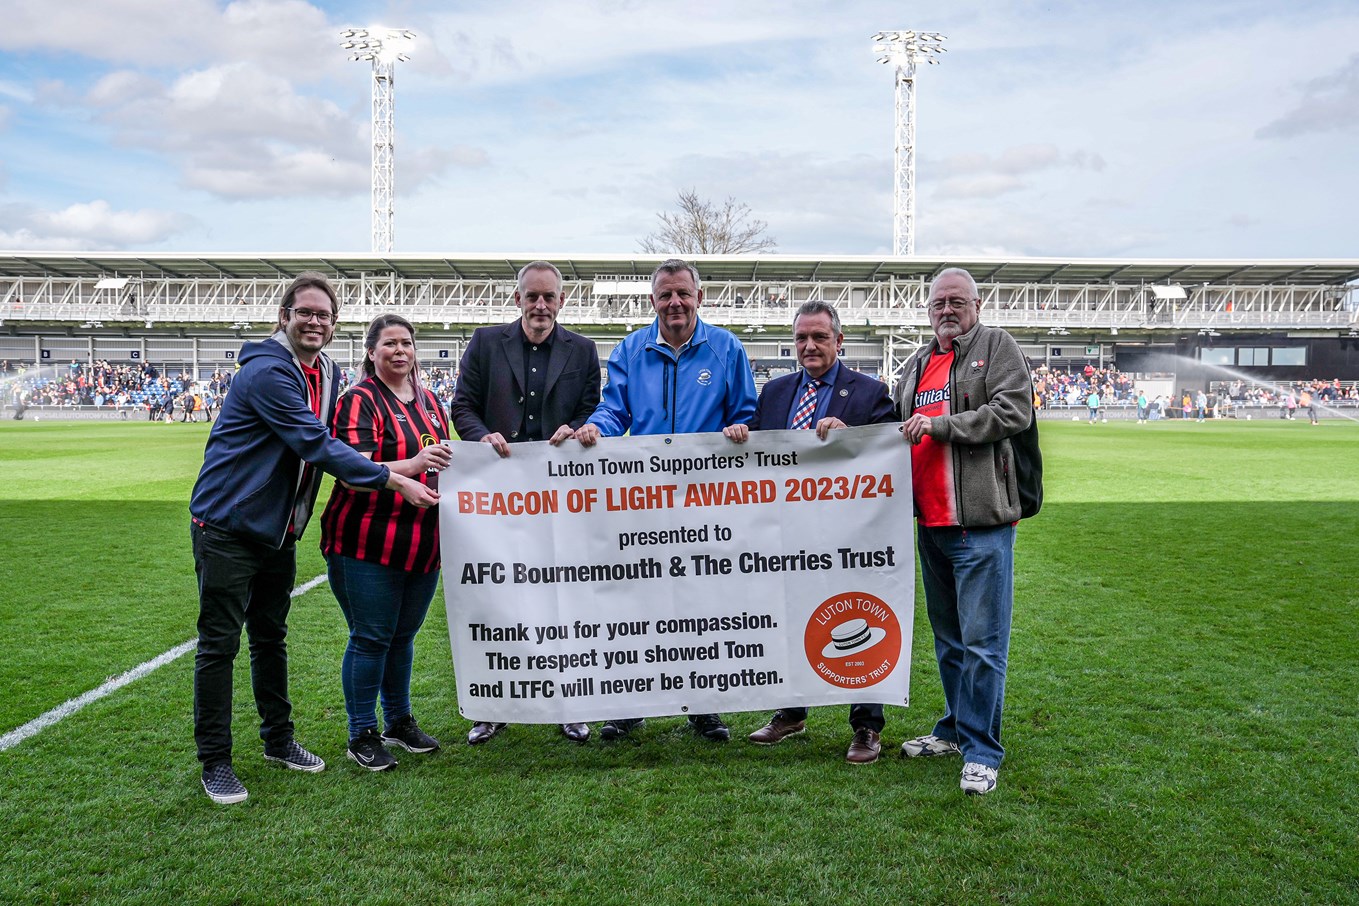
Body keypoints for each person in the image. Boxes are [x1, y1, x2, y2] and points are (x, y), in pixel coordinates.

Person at [189, 271, 440, 805]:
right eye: (304, 311)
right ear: (285, 317)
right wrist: (399, 476)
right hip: (228, 524)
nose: (314, 321)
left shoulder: (325, 372)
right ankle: (215, 760)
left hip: (279, 528)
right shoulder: (268, 373)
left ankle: (278, 742)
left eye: (324, 314)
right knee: (219, 646)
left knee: (270, 638)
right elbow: (317, 445)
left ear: (333, 325)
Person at [576, 258, 757, 742]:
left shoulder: (726, 348)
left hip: (706, 500)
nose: (674, 303)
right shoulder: (631, 349)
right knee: (640, 600)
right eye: (665, 295)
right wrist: (598, 427)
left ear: (700, 297)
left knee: (702, 602)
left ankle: (703, 706)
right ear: (652, 300)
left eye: (683, 293)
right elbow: (614, 409)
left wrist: (741, 427)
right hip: (645, 499)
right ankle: (631, 703)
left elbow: (746, 412)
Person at [894, 267, 1034, 796]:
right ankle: (954, 729)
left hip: (979, 523)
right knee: (950, 640)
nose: (947, 310)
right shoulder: (919, 362)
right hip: (930, 523)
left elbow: (1013, 410)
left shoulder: (997, 346)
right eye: (938, 303)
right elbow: (894, 424)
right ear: (928, 310)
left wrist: (942, 425)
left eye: (957, 301)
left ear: (976, 304)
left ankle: (982, 751)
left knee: (983, 643)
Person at [450, 260, 602, 745]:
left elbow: (591, 408)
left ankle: (569, 703)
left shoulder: (584, 349)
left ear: (562, 301)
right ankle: (493, 706)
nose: (540, 305)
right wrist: (481, 435)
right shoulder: (484, 342)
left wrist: (576, 429)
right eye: (531, 296)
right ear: (517, 299)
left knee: (565, 598)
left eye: (549, 297)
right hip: (497, 496)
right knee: (499, 597)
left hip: (560, 496)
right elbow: (462, 406)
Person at [744, 301, 896, 763]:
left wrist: (850, 434)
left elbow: (891, 452)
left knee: (859, 620)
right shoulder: (774, 392)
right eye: (801, 338)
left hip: (852, 536)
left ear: (839, 340)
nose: (809, 346)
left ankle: (867, 726)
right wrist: (738, 434)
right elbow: (757, 443)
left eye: (819, 337)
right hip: (788, 533)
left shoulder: (871, 392)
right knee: (790, 617)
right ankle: (791, 713)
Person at [321, 315, 453, 772]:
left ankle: (398, 720)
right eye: (390, 344)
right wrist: (412, 468)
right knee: (371, 637)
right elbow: (352, 472)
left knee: (402, 637)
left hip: (422, 543)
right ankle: (361, 732)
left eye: (407, 343)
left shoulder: (433, 402)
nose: (400, 351)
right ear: (371, 352)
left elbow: (450, 463)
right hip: (366, 542)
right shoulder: (358, 400)